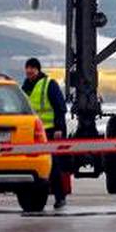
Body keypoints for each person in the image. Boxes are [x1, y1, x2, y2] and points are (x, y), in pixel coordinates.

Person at [22, 57, 69, 209]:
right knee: (32, 165)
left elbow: (60, 107)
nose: (29, 72)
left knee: (53, 165)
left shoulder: (49, 84)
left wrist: (59, 128)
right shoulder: (25, 87)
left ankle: (59, 197)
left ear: (37, 70)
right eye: (27, 69)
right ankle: (33, 199)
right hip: (31, 132)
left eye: (31, 69)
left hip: (48, 131)